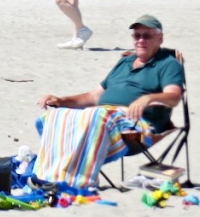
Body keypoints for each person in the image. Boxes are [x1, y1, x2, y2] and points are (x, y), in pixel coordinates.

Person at [34, 15, 183, 188]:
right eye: (137, 35)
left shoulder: (167, 64)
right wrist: (61, 100)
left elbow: (174, 97)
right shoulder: (125, 61)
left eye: (147, 36)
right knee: (56, 116)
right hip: (105, 116)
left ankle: (78, 181)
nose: (141, 40)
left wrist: (148, 98)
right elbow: (94, 96)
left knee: (96, 115)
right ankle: (47, 175)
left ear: (160, 38)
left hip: (137, 125)